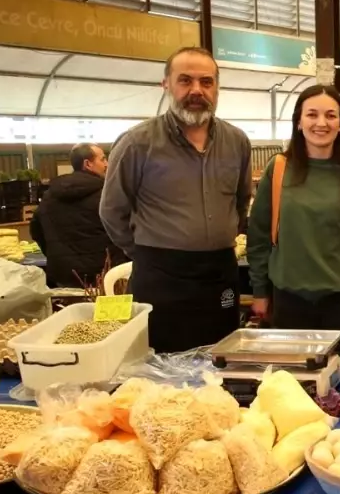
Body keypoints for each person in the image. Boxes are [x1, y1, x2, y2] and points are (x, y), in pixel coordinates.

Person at [101, 46, 251, 353]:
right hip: (161, 276)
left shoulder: (237, 141)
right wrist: (147, 251)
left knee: (221, 357)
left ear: (217, 87)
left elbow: (240, 200)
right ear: (166, 84)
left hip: (219, 272)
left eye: (206, 82)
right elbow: (112, 211)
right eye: (185, 80)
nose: (197, 90)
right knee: (161, 366)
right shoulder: (137, 143)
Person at [247, 86, 340, 358]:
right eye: (312, 114)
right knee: (294, 384)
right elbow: (259, 236)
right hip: (289, 301)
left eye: (331, 115)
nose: (321, 123)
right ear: (299, 121)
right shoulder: (278, 169)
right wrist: (260, 291)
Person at [32, 143, 128, 288]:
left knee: (74, 311)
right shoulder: (106, 195)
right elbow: (126, 231)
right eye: (102, 159)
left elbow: (36, 231)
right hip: (106, 278)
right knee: (111, 312)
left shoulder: (49, 197)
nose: (107, 164)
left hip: (65, 279)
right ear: (88, 164)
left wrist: (58, 255)